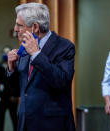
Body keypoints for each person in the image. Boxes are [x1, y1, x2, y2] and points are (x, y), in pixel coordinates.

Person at [7, 3, 75, 131]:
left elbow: (61, 81)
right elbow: (19, 90)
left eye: (19, 25)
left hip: (52, 125)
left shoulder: (64, 47)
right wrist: (11, 69)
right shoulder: (24, 48)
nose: (15, 29)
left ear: (35, 27)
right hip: (25, 124)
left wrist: (37, 55)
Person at [1, 46, 20, 131]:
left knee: (15, 120)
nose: (5, 54)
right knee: (0, 120)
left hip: (13, 98)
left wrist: (15, 95)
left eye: (7, 52)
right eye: (4, 52)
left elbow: (16, 82)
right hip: (2, 98)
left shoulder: (17, 65)